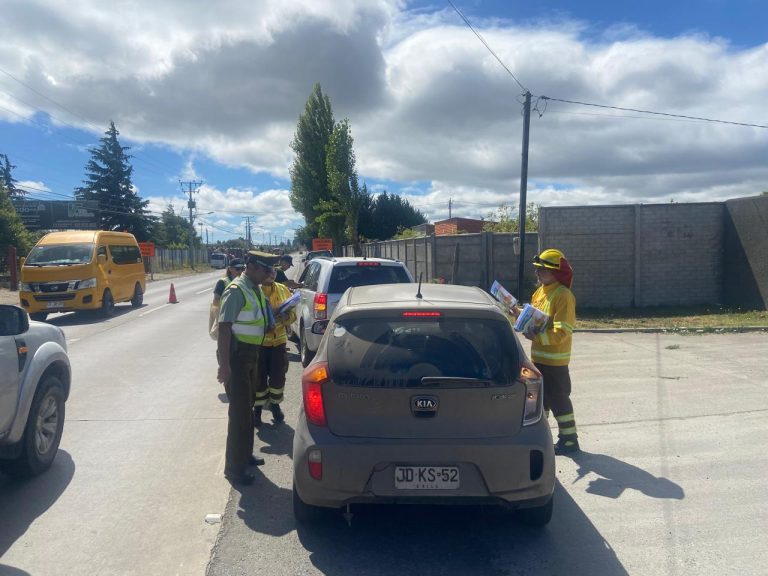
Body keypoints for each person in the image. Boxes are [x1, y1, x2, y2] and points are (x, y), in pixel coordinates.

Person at [216, 255, 275, 485]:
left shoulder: (254, 288)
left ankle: (245, 455)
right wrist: (224, 365)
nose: (268, 274)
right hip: (238, 359)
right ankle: (234, 469)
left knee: (248, 409)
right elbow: (224, 328)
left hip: (252, 356)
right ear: (251, 267)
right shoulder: (236, 290)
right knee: (239, 415)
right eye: (264, 270)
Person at [515, 248, 579, 455]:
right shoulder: (540, 291)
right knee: (540, 401)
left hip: (556, 361)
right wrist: (518, 314)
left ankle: (569, 440)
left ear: (555, 273)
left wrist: (538, 337)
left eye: (542, 269)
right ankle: (541, 437)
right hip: (539, 358)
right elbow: (533, 316)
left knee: (559, 400)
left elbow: (563, 331)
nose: (538, 273)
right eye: (537, 269)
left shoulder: (563, 295)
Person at [252, 268, 297, 427]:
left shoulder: (283, 289)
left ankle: (275, 406)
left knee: (278, 376)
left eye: (274, 273)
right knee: (259, 378)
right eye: (268, 272)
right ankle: (257, 411)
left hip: (279, 341)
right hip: (260, 342)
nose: (272, 275)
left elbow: (293, 314)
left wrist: (286, 317)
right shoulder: (254, 290)